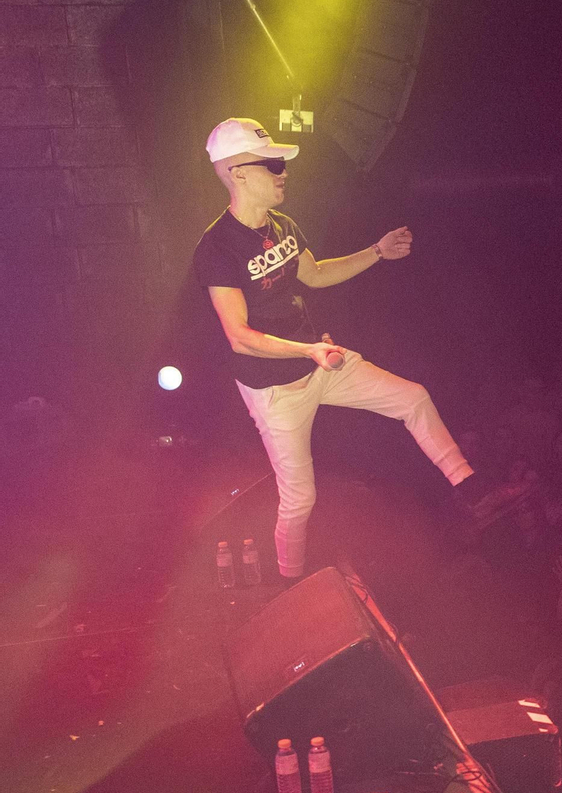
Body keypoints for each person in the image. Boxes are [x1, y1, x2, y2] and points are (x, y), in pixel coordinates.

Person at [193, 118, 520, 579]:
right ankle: (290, 582)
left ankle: (471, 490)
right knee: (300, 498)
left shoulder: (283, 224)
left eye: (282, 162)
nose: (283, 171)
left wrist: (377, 252)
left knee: (413, 397)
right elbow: (239, 336)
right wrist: (307, 351)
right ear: (237, 172)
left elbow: (315, 273)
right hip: (275, 391)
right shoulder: (216, 249)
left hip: (322, 361)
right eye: (272, 164)